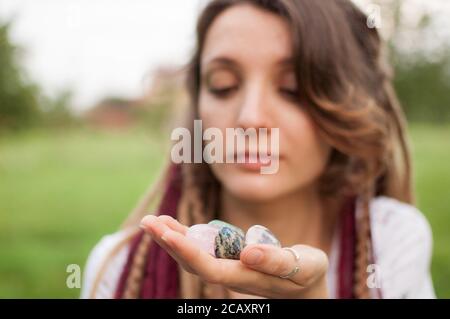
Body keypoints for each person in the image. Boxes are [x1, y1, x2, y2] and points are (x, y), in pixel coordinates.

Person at [81, 0, 435, 299]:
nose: (250, 119)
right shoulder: (117, 268)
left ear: (348, 106)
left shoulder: (391, 243)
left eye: (292, 89)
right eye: (224, 86)